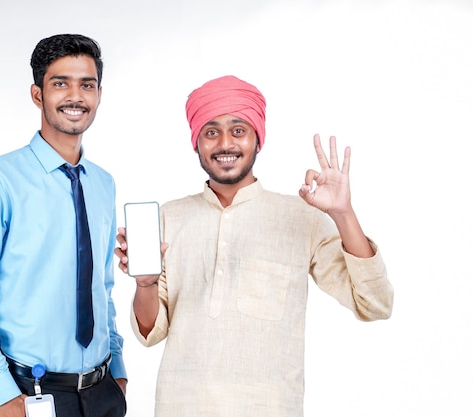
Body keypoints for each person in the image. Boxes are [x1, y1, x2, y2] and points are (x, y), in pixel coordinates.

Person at [114, 75, 394, 417]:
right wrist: (145, 283)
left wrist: (343, 213)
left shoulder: (300, 217)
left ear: (257, 139)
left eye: (238, 130)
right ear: (196, 142)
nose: (225, 144)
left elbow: (376, 303)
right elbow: (149, 332)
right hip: (180, 405)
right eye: (211, 131)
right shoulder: (170, 217)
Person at [0, 34, 127, 417]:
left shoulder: (103, 183)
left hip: (103, 393)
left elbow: (103, 286)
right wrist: (1, 394)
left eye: (87, 84)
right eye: (60, 83)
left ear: (99, 93)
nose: (75, 96)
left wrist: (118, 370)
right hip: (31, 395)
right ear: (37, 94)